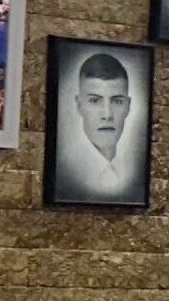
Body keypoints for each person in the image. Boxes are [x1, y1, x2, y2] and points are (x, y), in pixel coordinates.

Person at [59, 51, 144, 204]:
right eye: (95, 101)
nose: (107, 115)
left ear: (128, 106)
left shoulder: (136, 172)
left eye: (117, 101)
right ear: (79, 105)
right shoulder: (65, 169)